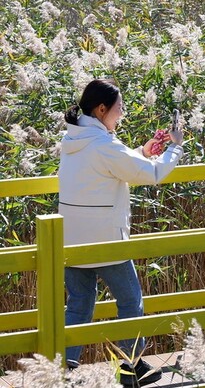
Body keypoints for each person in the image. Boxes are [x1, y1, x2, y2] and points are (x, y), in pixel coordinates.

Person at [58, 79, 184, 386]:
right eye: (119, 108)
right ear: (102, 109)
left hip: (71, 238)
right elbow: (151, 174)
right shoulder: (104, 144)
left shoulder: (73, 138)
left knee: (79, 303)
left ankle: (64, 370)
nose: (122, 114)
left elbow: (109, 165)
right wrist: (175, 147)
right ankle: (130, 368)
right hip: (105, 239)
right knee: (130, 300)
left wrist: (142, 151)